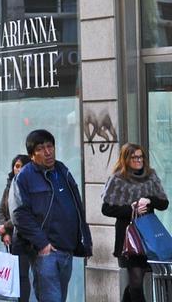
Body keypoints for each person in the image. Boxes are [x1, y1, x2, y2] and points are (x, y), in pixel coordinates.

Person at [11, 129, 92, 302]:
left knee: (59, 298)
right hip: (45, 251)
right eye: (41, 148)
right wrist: (42, 244)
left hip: (67, 248)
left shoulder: (63, 171)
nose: (48, 152)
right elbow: (19, 214)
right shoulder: (24, 177)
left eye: (50, 146)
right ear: (32, 155)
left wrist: (84, 241)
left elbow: (77, 208)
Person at [102, 143, 169, 302]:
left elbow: (164, 203)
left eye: (140, 157)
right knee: (137, 283)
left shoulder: (151, 176)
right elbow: (106, 209)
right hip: (129, 237)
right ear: (126, 159)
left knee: (136, 283)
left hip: (149, 236)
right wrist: (131, 209)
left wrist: (150, 201)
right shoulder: (117, 180)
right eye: (134, 157)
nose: (139, 160)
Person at [0, 154, 31, 302]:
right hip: (13, 238)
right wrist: (5, 233)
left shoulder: (29, 186)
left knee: (23, 275)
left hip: (26, 237)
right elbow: (1, 211)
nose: (19, 169)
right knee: (16, 275)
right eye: (16, 166)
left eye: (22, 166)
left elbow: (23, 212)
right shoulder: (9, 185)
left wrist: (5, 226)